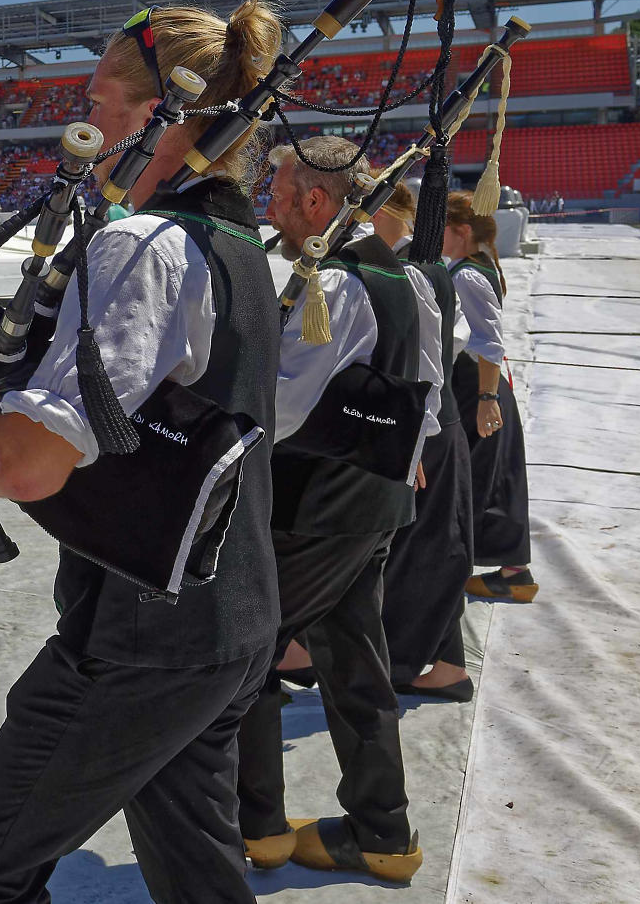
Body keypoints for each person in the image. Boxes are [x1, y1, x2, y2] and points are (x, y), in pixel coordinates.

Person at [0, 2, 286, 904]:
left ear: (166, 114)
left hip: (144, 637)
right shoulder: (237, 244)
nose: (89, 117)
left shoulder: (142, 245)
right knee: (195, 868)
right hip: (234, 616)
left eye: (103, 98)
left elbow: (31, 465)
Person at [238, 135, 435, 885]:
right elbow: (422, 388)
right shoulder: (394, 273)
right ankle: (383, 834)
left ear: (316, 202)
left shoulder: (337, 285)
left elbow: (280, 407)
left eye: (280, 197)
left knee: (243, 647)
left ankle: (254, 826)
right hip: (373, 498)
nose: (273, 211)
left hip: (319, 506)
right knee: (356, 669)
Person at [375, 185, 475, 700]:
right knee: (430, 546)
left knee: (423, 551)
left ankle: (419, 662)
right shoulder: (415, 258)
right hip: (430, 420)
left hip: (424, 423)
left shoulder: (410, 264)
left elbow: (434, 354)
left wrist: (414, 438)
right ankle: (444, 666)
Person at [445, 192, 536, 603]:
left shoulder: (466, 276)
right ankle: (513, 571)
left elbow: (488, 343)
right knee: (501, 477)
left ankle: (457, 564)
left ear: (462, 232)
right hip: (487, 387)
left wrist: (486, 397)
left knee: (476, 480)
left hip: (478, 387)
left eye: (443, 228)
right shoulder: (477, 266)